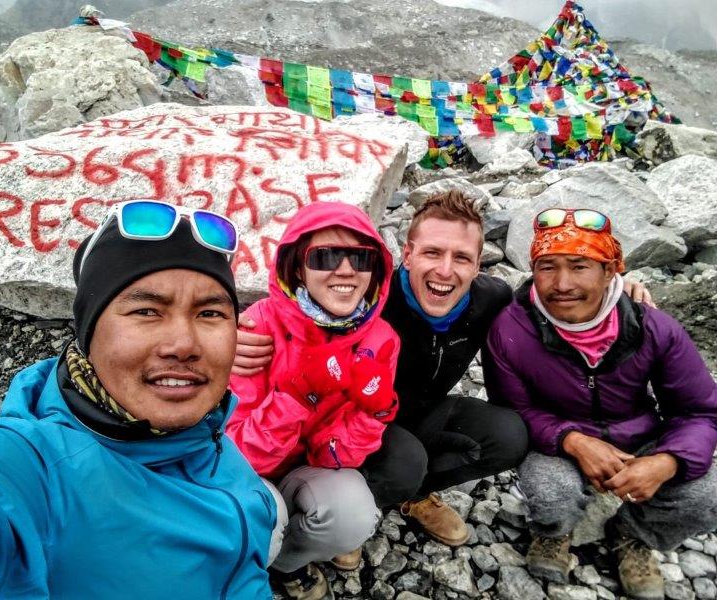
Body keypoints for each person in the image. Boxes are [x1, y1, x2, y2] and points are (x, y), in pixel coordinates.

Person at [234, 191, 655, 548]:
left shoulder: (492, 299)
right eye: (432, 252)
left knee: (509, 436)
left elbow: (552, 308)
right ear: (407, 254)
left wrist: (616, 292)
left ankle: (411, 498)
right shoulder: (370, 303)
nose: (445, 270)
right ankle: (354, 507)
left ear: (478, 265)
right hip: (353, 420)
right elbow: (302, 317)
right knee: (404, 463)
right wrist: (231, 337)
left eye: (462, 258)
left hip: (423, 409)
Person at [0, 200, 279, 599]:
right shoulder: (27, 469)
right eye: (146, 311)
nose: (184, 344)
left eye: (210, 313)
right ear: (88, 334)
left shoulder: (205, 432)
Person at [484, 207, 717, 600]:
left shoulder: (653, 327)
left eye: (579, 266)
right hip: (558, 441)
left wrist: (668, 460)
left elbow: (699, 411)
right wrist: (573, 440)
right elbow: (513, 411)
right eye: (546, 267)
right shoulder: (511, 329)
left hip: (639, 436)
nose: (561, 284)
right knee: (549, 489)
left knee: (706, 493)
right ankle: (554, 531)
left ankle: (634, 534)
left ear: (611, 271)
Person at [226, 201, 399, 600]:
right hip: (251, 473)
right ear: (297, 267)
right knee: (258, 519)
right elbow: (240, 457)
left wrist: (376, 414)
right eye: (324, 257)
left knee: (353, 516)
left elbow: (336, 457)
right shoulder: (258, 326)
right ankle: (248, 563)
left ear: (376, 271)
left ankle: (287, 563)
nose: (345, 270)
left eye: (360, 258)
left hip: (309, 467)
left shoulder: (382, 339)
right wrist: (297, 396)